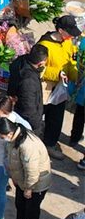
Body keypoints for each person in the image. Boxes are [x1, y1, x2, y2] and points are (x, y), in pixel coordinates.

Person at [0, 116, 52, 219]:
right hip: (22, 182)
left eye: (0, 136)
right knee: (20, 206)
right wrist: (14, 178)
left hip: (36, 184)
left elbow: (32, 170)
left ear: (9, 133)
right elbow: (14, 161)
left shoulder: (27, 145)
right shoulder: (14, 138)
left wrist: (29, 188)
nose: (1, 138)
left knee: (31, 212)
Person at [38, 15, 80, 160]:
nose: (72, 36)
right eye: (70, 32)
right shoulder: (44, 45)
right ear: (61, 31)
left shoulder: (67, 42)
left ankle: (50, 143)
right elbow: (39, 69)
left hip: (61, 88)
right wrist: (57, 74)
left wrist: (73, 73)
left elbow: (70, 61)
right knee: (38, 115)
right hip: (46, 87)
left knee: (56, 117)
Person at [7, 43, 48, 133]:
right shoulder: (29, 81)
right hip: (26, 123)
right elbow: (28, 108)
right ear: (41, 63)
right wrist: (37, 125)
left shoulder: (20, 62)